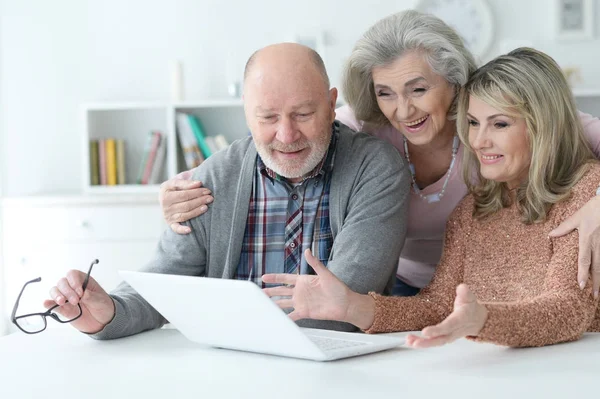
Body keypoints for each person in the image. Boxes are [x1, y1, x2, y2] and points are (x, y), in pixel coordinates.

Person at [159, 10, 600, 298]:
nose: (402, 111)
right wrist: (177, 191)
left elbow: (566, 132)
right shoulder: (365, 128)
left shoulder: (494, 117)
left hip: (500, 284)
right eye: (386, 92)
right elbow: (276, 143)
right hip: (408, 289)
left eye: (419, 90)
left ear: (455, 80)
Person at [43, 43, 410, 338]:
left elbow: (343, 307)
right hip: (228, 369)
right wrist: (109, 312)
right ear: (246, 114)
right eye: (267, 117)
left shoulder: (375, 168)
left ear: (331, 106)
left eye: (302, 114)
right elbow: (162, 288)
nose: (286, 135)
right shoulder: (213, 177)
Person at [262, 47, 600, 348]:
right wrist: (351, 306)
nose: (479, 141)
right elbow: (437, 305)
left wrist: (482, 321)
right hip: (492, 370)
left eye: (499, 124)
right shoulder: (473, 208)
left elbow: (568, 309)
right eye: (472, 123)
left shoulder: (587, 193)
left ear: (543, 127)